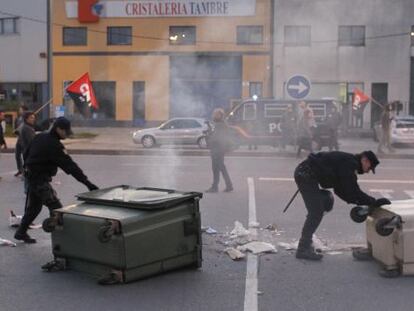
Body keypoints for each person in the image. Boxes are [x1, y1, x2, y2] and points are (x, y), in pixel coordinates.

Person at [293, 150, 391, 260]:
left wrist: (364, 202)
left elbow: (342, 191)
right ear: (365, 160)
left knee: (325, 203)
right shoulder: (350, 163)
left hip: (306, 175)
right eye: (369, 168)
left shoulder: (349, 163)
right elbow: (352, 190)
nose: (368, 171)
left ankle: (307, 242)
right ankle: (303, 249)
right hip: (305, 175)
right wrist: (373, 202)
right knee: (316, 212)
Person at [14, 117, 99, 243]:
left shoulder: (40, 137)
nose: (67, 135)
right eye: (66, 132)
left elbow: (26, 153)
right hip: (39, 180)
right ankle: (64, 241)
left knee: (34, 208)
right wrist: (88, 184)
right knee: (57, 209)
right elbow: (70, 167)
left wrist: (28, 167)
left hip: (32, 177)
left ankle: (21, 232)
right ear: (59, 129)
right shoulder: (54, 145)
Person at [205, 108, 233, 193]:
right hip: (219, 149)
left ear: (220, 115)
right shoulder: (221, 124)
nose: (213, 116)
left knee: (216, 168)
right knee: (221, 168)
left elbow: (216, 138)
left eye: (215, 114)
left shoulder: (220, 125)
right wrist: (209, 128)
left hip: (218, 149)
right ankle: (229, 185)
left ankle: (215, 187)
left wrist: (209, 137)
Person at [17, 111, 37, 193]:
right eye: (31, 118)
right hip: (29, 153)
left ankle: (27, 188)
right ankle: (28, 189)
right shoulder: (27, 128)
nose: (33, 119)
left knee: (28, 170)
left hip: (26, 152)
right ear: (26, 119)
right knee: (30, 171)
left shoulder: (26, 127)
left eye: (34, 117)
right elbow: (31, 142)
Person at [14, 104, 29, 177]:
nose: (19, 111)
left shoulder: (27, 119)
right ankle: (20, 169)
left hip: (24, 140)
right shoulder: (18, 118)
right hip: (19, 139)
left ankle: (25, 170)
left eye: (21, 109)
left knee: (25, 155)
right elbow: (16, 127)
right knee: (17, 155)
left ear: (24, 110)